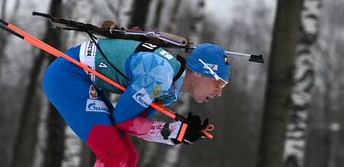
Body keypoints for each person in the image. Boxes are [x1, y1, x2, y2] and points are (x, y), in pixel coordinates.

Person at [42, 38, 230, 167]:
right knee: (114, 156)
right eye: (218, 82)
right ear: (198, 71)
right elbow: (122, 119)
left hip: (81, 77)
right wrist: (175, 132)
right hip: (68, 76)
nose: (219, 92)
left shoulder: (169, 88)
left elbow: (132, 123)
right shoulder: (160, 75)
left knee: (129, 157)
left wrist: (180, 132)